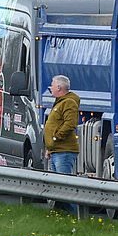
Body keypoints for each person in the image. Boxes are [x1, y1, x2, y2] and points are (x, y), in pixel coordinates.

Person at [43, 74, 81, 214]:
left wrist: (56, 138)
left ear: (59, 87)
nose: (50, 87)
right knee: (57, 188)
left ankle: (75, 214)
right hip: (56, 151)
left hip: (64, 151)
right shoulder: (60, 102)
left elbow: (70, 124)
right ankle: (61, 215)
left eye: (52, 84)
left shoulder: (69, 102)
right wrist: (49, 148)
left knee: (64, 187)